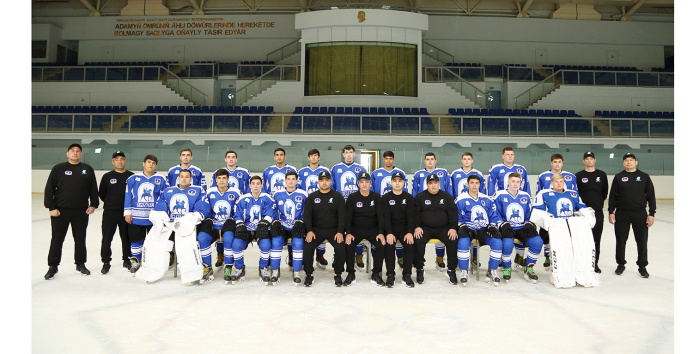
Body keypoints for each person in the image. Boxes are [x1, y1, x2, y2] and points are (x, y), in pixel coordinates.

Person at [44, 143, 100, 280]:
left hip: (81, 211)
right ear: (67, 153)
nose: (75, 153)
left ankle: (80, 264)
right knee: (57, 239)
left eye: (78, 151)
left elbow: (93, 188)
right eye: (72, 151)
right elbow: (49, 189)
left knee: (80, 239)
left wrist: (93, 204)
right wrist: (51, 207)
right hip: (60, 211)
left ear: (81, 154)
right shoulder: (58, 169)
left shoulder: (87, 169)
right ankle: (53, 266)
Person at [532, 174, 597, 288]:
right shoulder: (544, 193)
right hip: (554, 227)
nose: (559, 183)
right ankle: (555, 272)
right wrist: (549, 220)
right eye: (556, 181)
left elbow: (581, 207)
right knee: (557, 250)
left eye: (561, 181)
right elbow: (537, 211)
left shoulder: (573, 193)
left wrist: (587, 216)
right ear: (552, 183)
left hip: (571, 227)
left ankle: (576, 272)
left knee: (572, 249)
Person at [148, 169, 210, 284]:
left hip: (188, 226)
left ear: (191, 179)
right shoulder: (168, 191)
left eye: (187, 176)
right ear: (178, 178)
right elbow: (160, 207)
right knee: (157, 241)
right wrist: (161, 219)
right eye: (182, 176)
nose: (184, 179)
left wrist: (190, 220)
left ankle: (191, 273)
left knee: (186, 246)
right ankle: (153, 270)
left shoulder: (198, 190)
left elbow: (201, 208)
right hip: (170, 225)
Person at [608, 153, 656, 278]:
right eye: (626, 160)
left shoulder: (644, 177)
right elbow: (612, 196)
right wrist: (611, 211)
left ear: (636, 162)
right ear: (623, 163)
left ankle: (642, 266)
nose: (629, 162)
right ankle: (620, 264)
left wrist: (651, 213)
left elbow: (651, 196)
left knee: (641, 241)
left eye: (631, 160)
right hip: (622, 213)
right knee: (621, 241)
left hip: (639, 213)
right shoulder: (618, 177)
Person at [528, 153, 578, 270]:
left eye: (559, 162)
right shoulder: (543, 176)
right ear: (551, 163)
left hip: (564, 215)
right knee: (545, 236)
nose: (557, 164)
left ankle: (564, 259)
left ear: (562, 163)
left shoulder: (570, 176)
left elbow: (574, 194)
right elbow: (539, 193)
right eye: (555, 162)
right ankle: (547, 256)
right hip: (548, 214)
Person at [492, 173, 543, 283]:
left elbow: (530, 213)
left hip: (521, 227)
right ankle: (507, 267)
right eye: (513, 181)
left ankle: (529, 266)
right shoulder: (499, 195)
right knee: (507, 244)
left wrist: (530, 223)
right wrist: (501, 224)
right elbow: (494, 213)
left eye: (518, 182)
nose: (515, 184)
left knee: (537, 241)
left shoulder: (525, 196)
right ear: (508, 182)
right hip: (507, 227)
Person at [123, 154, 169, 273]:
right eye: (149, 162)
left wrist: (162, 214)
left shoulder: (161, 179)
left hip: (154, 217)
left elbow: (164, 197)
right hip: (137, 216)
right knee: (136, 239)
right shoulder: (133, 179)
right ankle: (136, 261)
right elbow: (128, 196)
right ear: (144, 163)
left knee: (154, 241)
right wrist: (127, 212)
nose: (151, 165)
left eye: (153, 163)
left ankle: (152, 262)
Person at [229, 175, 278, 285]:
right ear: (250, 185)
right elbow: (237, 215)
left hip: (262, 229)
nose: (255, 186)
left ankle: (263, 267)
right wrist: (240, 224)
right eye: (253, 184)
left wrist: (264, 223)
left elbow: (270, 213)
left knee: (266, 245)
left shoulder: (267, 198)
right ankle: (239, 268)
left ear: (261, 185)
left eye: (258, 184)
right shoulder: (242, 199)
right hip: (246, 229)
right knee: (236, 244)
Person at [455, 175, 503, 286]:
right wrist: (461, 225)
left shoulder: (487, 199)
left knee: (497, 241)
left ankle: (492, 270)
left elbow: (493, 215)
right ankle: (463, 271)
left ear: (480, 184)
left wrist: (492, 226)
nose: (474, 185)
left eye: (477, 183)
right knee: (463, 242)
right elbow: (456, 216)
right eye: (472, 183)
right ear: (467, 184)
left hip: (483, 229)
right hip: (468, 229)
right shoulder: (460, 199)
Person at [487, 146, 531, 269]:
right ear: (503, 156)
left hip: (518, 201)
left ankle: (519, 256)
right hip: (502, 203)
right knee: (505, 232)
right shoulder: (496, 168)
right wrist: (491, 201)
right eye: (507, 154)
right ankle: (503, 258)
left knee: (520, 226)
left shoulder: (521, 169)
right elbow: (491, 185)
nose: (510, 156)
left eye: (511, 154)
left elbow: (526, 186)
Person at [302, 171, 348, 287]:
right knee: (307, 246)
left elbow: (343, 216)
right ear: (318, 182)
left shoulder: (337, 196)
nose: (324, 183)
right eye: (322, 180)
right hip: (316, 230)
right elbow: (307, 216)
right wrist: (309, 231)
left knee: (340, 247)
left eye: (326, 180)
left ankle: (338, 273)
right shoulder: (312, 197)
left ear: (330, 182)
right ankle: (308, 274)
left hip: (334, 230)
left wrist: (340, 232)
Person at [197, 169, 241, 283]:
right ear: (216, 180)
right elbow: (204, 208)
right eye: (219, 178)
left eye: (224, 178)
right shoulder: (209, 192)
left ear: (228, 179)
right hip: (213, 226)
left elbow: (239, 210)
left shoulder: (236, 192)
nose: (221, 180)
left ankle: (228, 267)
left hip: (228, 225)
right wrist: (207, 220)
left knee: (228, 239)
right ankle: (207, 267)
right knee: (202, 237)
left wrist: (233, 220)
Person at [412, 174, 459, 285]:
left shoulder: (447, 197)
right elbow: (415, 214)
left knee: (452, 240)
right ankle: (420, 269)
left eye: (435, 183)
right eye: (430, 183)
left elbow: (453, 214)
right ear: (427, 185)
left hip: (443, 228)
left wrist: (453, 228)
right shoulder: (420, 197)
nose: (433, 185)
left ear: (439, 184)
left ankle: (451, 270)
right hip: (425, 228)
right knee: (418, 240)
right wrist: (417, 227)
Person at [344, 172, 388, 287]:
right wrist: (348, 233)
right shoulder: (352, 198)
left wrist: (381, 233)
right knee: (348, 244)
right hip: (356, 230)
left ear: (370, 183)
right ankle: (351, 273)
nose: (364, 185)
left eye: (366, 182)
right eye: (362, 182)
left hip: (372, 230)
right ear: (358, 184)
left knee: (381, 244)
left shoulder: (376, 197)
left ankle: (376, 273)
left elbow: (380, 216)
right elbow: (348, 217)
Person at [210, 150, 251, 268]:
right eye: (229, 157)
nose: (231, 159)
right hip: (223, 204)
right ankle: (220, 254)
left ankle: (231, 258)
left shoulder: (244, 172)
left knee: (230, 234)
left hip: (237, 206)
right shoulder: (217, 173)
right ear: (225, 159)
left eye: (233, 157)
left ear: (236, 159)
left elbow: (248, 189)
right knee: (219, 228)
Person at [411, 152, 452, 271]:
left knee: (444, 230)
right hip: (424, 208)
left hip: (441, 206)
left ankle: (440, 257)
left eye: (432, 159)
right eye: (427, 159)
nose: (429, 161)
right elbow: (414, 191)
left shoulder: (443, 172)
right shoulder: (419, 174)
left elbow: (449, 189)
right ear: (424, 161)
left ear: (435, 161)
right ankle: (419, 265)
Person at [330, 144, 368, 270]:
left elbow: (365, 187)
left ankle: (359, 255)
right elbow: (332, 188)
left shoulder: (360, 168)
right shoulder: (336, 168)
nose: (349, 154)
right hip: (340, 206)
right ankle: (337, 255)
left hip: (357, 206)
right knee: (339, 231)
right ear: (343, 154)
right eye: (346, 152)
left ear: (354, 154)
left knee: (356, 230)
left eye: (351, 152)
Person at [98, 151, 134, 274]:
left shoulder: (131, 176)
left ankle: (127, 260)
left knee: (126, 238)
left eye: (122, 159)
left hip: (126, 213)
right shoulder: (107, 176)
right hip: (110, 213)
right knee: (107, 238)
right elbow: (102, 194)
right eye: (117, 159)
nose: (120, 161)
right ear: (113, 162)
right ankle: (106, 262)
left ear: (125, 161)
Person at [371, 151, 408, 269]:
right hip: (380, 208)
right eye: (386, 158)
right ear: (383, 159)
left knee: (397, 239)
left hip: (397, 208)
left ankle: (401, 257)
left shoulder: (400, 172)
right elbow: (371, 191)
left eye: (390, 158)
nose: (388, 161)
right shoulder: (376, 173)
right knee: (380, 235)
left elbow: (404, 192)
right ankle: (376, 260)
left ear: (393, 159)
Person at [272, 170, 309, 285]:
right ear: (285, 181)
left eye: (293, 179)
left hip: (296, 227)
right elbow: (274, 211)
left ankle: (296, 271)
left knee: (298, 243)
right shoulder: (277, 194)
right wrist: (275, 222)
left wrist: (301, 221)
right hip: (282, 227)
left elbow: (306, 212)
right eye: (289, 179)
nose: (291, 181)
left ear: (297, 181)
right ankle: (274, 271)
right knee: (276, 241)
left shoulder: (303, 194)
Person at [296, 148, 330, 269]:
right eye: (311, 156)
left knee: (321, 228)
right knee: (305, 230)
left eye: (316, 155)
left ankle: (320, 255)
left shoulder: (325, 170)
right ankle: (299, 256)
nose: (314, 157)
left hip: (322, 205)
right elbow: (297, 188)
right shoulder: (302, 171)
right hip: (307, 205)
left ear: (319, 157)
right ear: (309, 158)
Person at [575, 151, 609, 273]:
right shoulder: (578, 176)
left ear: (595, 160)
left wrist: (597, 204)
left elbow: (605, 192)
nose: (589, 161)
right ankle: (582, 262)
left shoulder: (602, 174)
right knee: (582, 239)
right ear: (584, 161)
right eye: (587, 159)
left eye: (591, 159)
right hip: (582, 214)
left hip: (597, 212)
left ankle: (594, 263)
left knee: (596, 239)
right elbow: (576, 194)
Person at [382, 171, 416, 287]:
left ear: (404, 183)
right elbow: (385, 217)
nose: (397, 183)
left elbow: (411, 217)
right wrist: (389, 233)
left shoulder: (409, 197)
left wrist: (410, 232)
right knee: (389, 245)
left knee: (410, 245)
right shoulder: (386, 198)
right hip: (390, 228)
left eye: (400, 181)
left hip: (404, 229)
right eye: (395, 181)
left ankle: (407, 274)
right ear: (391, 182)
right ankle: (390, 274)